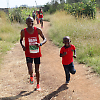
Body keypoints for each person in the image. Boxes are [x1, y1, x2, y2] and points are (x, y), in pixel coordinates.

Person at [20, 16, 47, 91]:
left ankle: (38, 85)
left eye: (31, 21)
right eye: (28, 21)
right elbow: (21, 40)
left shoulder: (38, 30)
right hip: (28, 52)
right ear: (26, 23)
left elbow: (45, 39)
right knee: (30, 69)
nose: (30, 23)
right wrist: (23, 46)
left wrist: (40, 44)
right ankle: (31, 76)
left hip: (36, 53)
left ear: (33, 22)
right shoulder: (23, 31)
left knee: (37, 70)